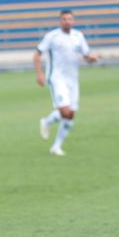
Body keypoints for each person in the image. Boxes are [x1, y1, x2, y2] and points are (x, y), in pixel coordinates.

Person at [34, 10, 98, 156]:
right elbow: (37, 54)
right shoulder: (52, 36)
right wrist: (39, 74)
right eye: (64, 19)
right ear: (60, 21)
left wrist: (91, 58)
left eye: (70, 19)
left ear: (73, 21)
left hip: (73, 80)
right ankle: (47, 122)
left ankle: (56, 145)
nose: (67, 21)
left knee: (70, 115)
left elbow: (86, 55)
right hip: (56, 78)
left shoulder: (78, 36)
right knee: (65, 111)